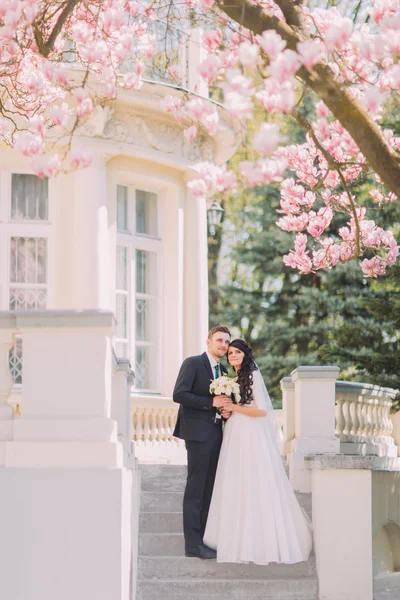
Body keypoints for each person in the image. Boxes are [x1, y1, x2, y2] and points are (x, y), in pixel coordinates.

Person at [203, 339, 313, 565]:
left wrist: (233, 407)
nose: (232, 355)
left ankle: (259, 541)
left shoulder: (252, 374)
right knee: (236, 482)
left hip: (251, 434)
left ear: (245, 354)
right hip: (234, 431)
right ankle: (237, 538)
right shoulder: (233, 377)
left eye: (237, 352)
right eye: (230, 353)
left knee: (254, 481)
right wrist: (227, 412)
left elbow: (261, 411)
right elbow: (239, 407)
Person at [173, 326, 232, 559]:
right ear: (208, 342)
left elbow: (222, 402)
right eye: (219, 340)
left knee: (209, 490)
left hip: (217, 434)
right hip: (197, 435)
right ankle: (192, 545)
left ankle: (205, 540)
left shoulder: (224, 370)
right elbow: (179, 394)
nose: (223, 345)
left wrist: (225, 410)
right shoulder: (194, 363)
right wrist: (211, 402)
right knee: (196, 489)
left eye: (227, 342)